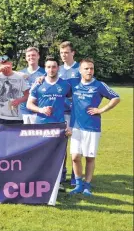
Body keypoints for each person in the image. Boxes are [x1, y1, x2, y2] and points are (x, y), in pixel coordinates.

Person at [68, 59, 120, 196]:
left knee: (89, 157)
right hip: (75, 127)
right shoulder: (74, 84)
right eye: (86, 69)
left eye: (91, 68)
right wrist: (41, 78)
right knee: (75, 157)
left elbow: (116, 97)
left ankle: (87, 186)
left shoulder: (99, 85)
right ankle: (78, 184)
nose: (89, 71)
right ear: (80, 70)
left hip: (92, 127)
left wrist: (101, 110)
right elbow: (57, 84)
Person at [58, 41, 81, 186]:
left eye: (66, 52)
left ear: (73, 53)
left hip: (76, 112)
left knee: (76, 145)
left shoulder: (80, 69)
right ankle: (61, 174)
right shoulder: (57, 69)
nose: (64, 55)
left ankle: (75, 176)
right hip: (61, 111)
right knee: (62, 145)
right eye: (61, 53)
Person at [26, 57, 72, 125]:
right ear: (45, 68)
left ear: (58, 68)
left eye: (54, 67)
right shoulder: (38, 83)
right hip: (41, 124)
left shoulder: (66, 84)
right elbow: (29, 104)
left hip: (59, 125)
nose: (51, 70)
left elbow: (73, 101)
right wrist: (41, 110)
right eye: (48, 67)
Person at [0, 56, 29, 124]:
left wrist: (19, 100)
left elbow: (28, 95)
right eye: (2, 65)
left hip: (15, 117)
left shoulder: (20, 77)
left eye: (7, 65)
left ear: (11, 64)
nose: (5, 68)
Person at [19, 47, 46, 124]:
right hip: (22, 112)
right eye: (29, 56)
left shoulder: (45, 73)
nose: (31, 57)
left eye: (33, 55)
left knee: (38, 136)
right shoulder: (20, 73)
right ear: (26, 58)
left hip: (39, 112)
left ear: (38, 56)